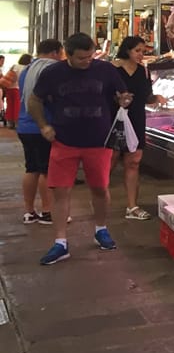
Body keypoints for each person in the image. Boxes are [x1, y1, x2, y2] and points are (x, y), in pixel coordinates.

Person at [28, 33, 133, 265]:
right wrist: (43, 126)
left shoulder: (105, 70)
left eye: (90, 56)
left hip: (99, 141)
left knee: (99, 188)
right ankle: (60, 242)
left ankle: (101, 229)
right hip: (64, 140)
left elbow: (120, 95)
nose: (87, 61)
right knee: (60, 191)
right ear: (68, 54)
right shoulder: (53, 73)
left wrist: (124, 99)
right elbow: (34, 100)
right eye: (82, 58)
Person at [111, 36, 168, 220]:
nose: (141, 55)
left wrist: (156, 98)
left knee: (133, 161)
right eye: (137, 51)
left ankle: (132, 206)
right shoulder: (113, 68)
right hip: (114, 119)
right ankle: (101, 202)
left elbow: (146, 96)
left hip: (136, 118)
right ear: (127, 50)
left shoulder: (143, 71)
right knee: (109, 161)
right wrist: (117, 100)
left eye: (143, 51)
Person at [17, 41, 63, 224]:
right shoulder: (51, 70)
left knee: (31, 168)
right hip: (44, 127)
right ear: (54, 52)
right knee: (47, 170)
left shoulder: (27, 70)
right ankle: (47, 211)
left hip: (24, 127)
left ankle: (29, 211)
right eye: (61, 53)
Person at [1, 53, 31, 128]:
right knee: (17, 106)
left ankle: (10, 123)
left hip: (9, 88)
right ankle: (17, 123)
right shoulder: (26, 68)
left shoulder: (15, 66)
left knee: (10, 105)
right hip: (18, 89)